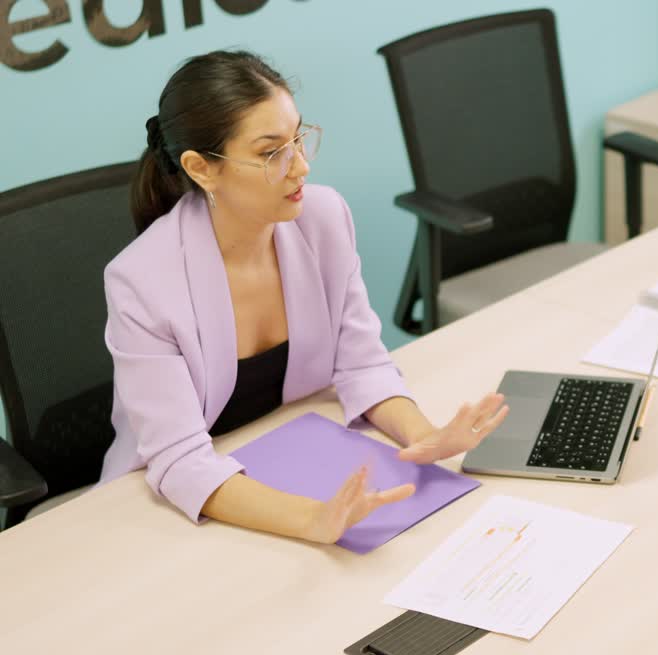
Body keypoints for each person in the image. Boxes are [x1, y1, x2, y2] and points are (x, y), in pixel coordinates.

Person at [100, 51, 507, 544]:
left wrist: (425, 438)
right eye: (272, 153)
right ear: (201, 168)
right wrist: (312, 519)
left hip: (292, 449)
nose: (301, 166)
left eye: (298, 138)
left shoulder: (324, 217)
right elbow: (180, 460)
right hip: (172, 509)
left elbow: (362, 365)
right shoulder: (141, 280)